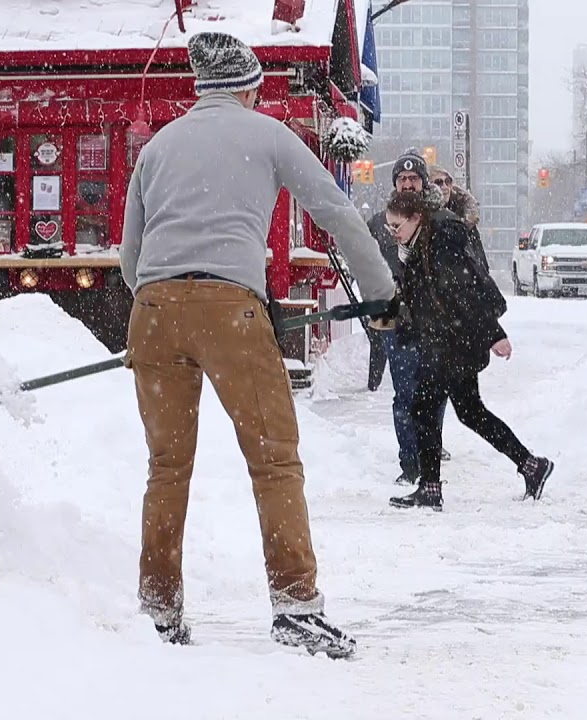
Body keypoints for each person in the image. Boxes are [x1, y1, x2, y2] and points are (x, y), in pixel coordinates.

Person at [119, 31, 396, 657]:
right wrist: (380, 292)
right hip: (232, 311)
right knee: (273, 459)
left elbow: (131, 257)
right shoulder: (268, 134)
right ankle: (296, 605)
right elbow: (335, 211)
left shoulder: (158, 147)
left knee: (166, 467)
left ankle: (159, 610)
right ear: (248, 86)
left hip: (153, 310)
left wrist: (170, 299)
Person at [382, 189, 554, 511]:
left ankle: (431, 487)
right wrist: (396, 315)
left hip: (455, 343)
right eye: (389, 226)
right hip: (445, 342)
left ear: (416, 217)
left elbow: (467, 291)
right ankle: (531, 465)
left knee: (425, 407)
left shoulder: (439, 244)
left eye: (396, 225)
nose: (393, 232)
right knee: (470, 413)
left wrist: (494, 334)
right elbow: (421, 299)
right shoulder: (418, 245)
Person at [365, 150, 451, 483]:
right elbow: (366, 267)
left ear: (424, 182)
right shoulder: (379, 223)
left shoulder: (441, 220)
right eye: (402, 179)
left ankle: (429, 461)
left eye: (414, 179)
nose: (408, 184)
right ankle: (409, 464)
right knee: (404, 395)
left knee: (433, 395)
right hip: (394, 320)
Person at [429, 165, 488, 272]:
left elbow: (480, 261)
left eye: (448, 181)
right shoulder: (426, 221)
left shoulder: (465, 219)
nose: (445, 187)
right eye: (438, 182)